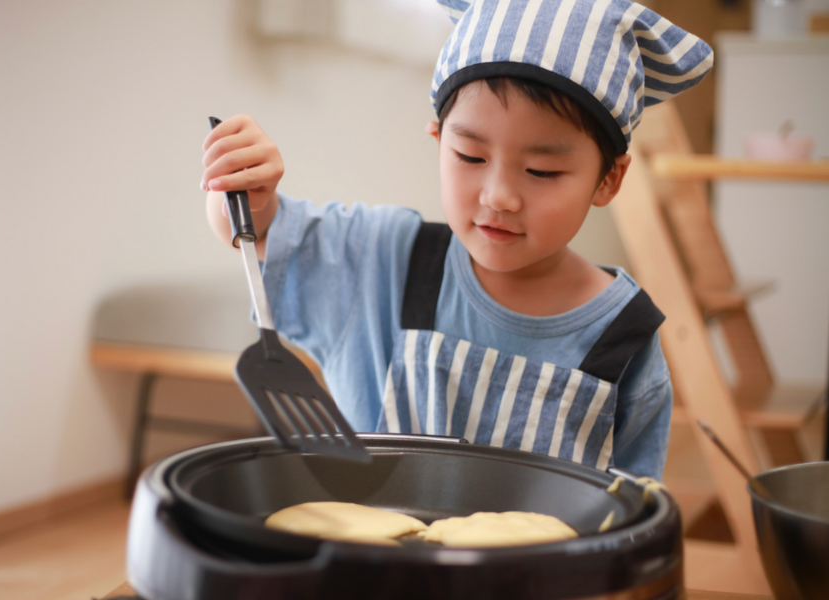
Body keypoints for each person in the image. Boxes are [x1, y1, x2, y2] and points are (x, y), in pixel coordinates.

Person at [200, 0, 713, 480]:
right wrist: (244, 188)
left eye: (542, 170)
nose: (500, 196)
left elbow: (631, 510)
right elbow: (260, 236)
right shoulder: (383, 262)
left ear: (608, 180)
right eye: (470, 157)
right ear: (439, 142)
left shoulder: (624, 336)